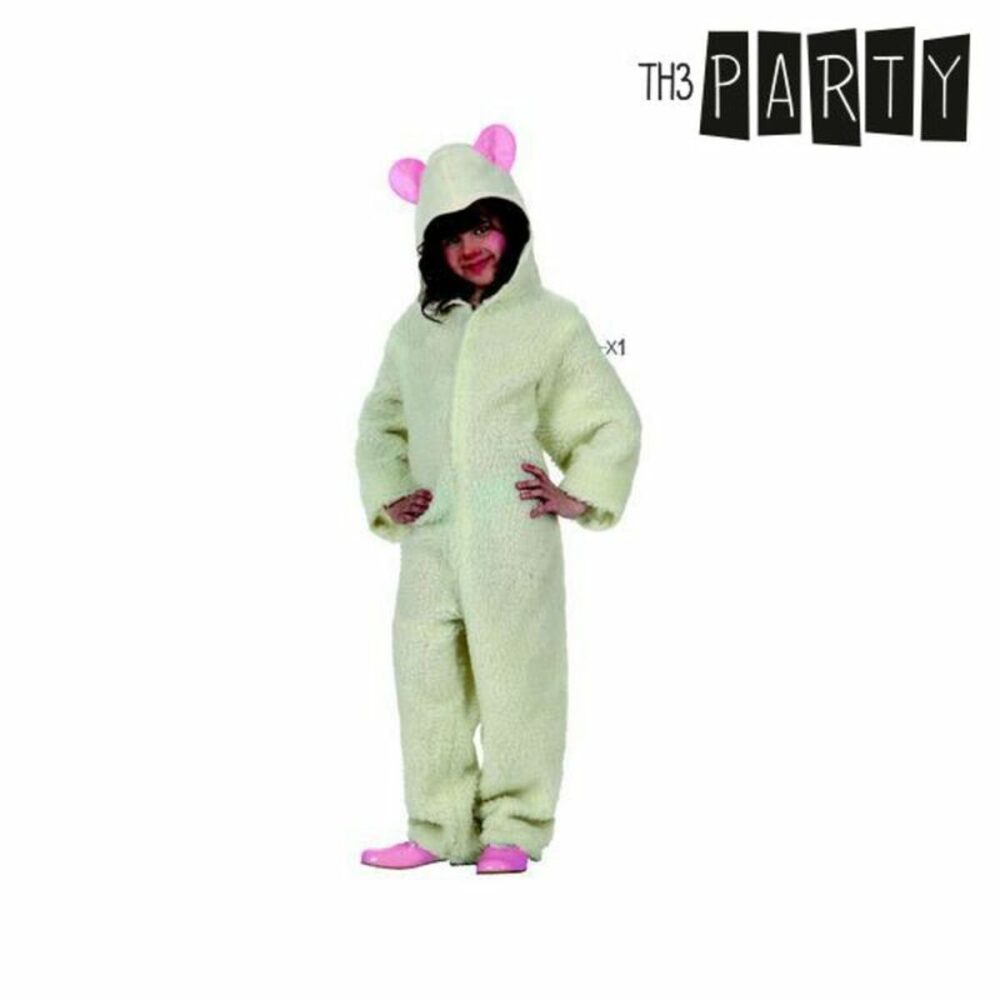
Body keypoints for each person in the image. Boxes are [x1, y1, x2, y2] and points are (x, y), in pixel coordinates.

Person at [355, 123, 641, 874]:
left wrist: (576, 495)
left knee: (519, 681)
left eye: (483, 225)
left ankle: (514, 827)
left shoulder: (551, 323)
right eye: (452, 236)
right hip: (432, 541)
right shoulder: (414, 333)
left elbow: (607, 418)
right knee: (426, 680)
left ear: (512, 223)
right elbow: (381, 422)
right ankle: (438, 826)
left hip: (512, 536)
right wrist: (392, 493)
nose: (472, 247)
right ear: (431, 248)